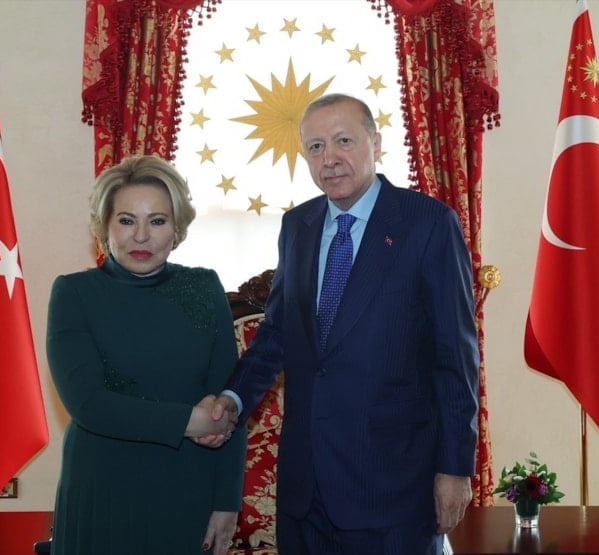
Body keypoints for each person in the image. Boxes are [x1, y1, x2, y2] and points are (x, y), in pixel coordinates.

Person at [200, 93, 480, 554]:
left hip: (393, 488)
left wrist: (454, 468)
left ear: (376, 143)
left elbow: (455, 357)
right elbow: (277, 333)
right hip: (304, 489)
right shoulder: (298, 225)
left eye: (343, 141)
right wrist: (233, 400)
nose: (328, 158)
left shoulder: (428, 224)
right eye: (315, 147)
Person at [46, 155, 246, 555]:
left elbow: (229, 401)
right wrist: (190, 421)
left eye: (157, 221)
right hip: (102, 491)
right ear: (104, 225)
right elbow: (88, 404)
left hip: (188, 490)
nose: (141, 236)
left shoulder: (204, 287)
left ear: (177, 228)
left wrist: (227, 502)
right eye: (126, 220)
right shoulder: (73, 293)